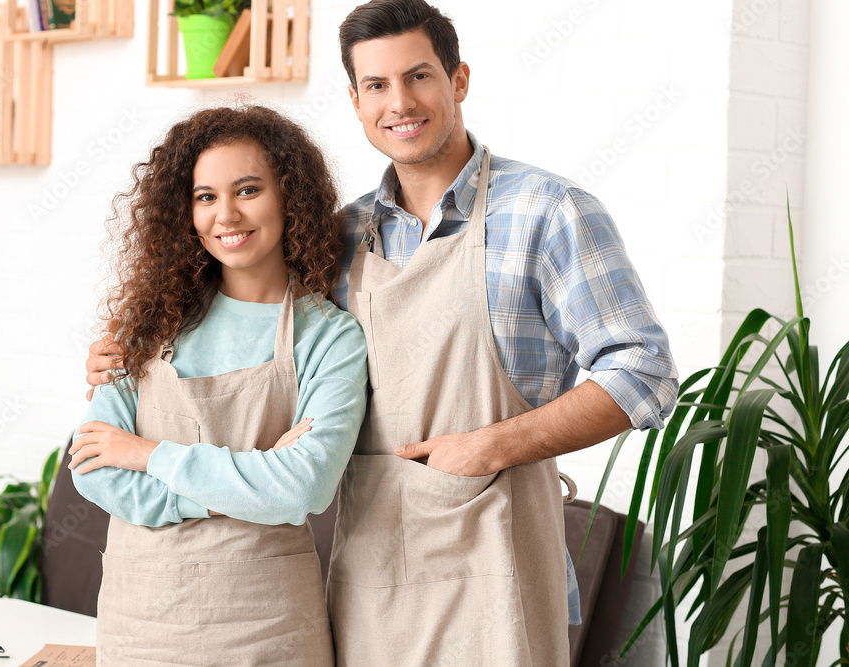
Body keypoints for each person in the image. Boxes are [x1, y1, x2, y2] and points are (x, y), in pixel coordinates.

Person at [86, 1, 679, 664]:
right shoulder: (338, 237)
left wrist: (488, 446)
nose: (400, 101)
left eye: (419, 76)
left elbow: (643, 375)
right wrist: (122, 350)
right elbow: (237, 311)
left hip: (495, 567)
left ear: (458, 81)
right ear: (356, 100)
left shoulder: (547, 213)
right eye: (376, 85)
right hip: (368, 580)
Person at [69, 105, 368, 666]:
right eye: (205, 196)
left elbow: (303, 489)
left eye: (248, 190)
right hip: (144, 626)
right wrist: (242, 490)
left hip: (268, 627)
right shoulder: (145, 325)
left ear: (289, 196)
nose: (226, 214)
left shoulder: (331, 338)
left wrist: (147, 453)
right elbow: (95, 469)